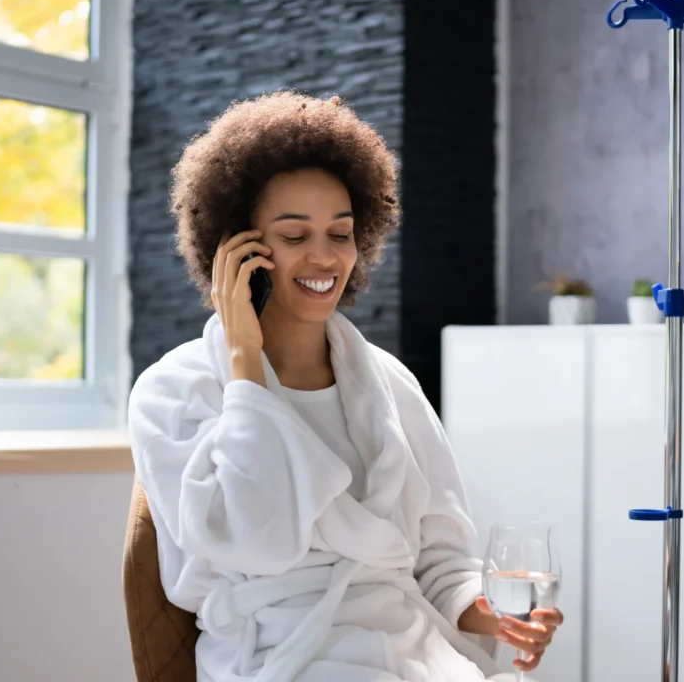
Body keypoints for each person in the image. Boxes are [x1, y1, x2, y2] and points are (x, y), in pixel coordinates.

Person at [127, 91, 564, 682]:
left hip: (412, 650)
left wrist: (495, 616)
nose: (324, 257)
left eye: (340, 233)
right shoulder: (174, 391)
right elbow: (257, 541)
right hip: (280, 658)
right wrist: (244, 363)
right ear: (237, 251)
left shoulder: (389, 382)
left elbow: (440, 560)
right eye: (293, 235)